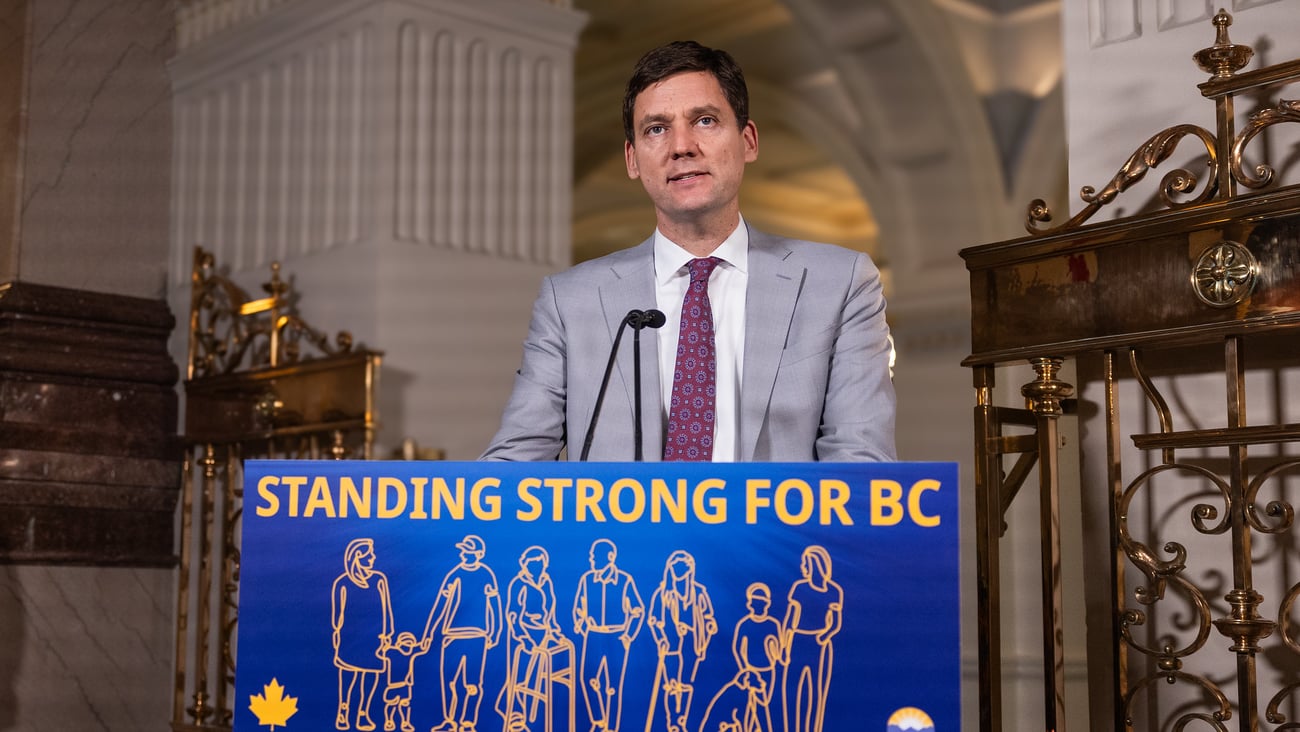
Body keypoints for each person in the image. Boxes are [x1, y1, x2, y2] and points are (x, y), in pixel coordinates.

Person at [481, 40, 896, 462]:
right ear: (633, 159)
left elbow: (861, 468)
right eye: (656, 129)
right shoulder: (569, 301)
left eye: (704, 120)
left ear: (748, 141)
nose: (681, 146)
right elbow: (515, 464)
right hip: (620, 531)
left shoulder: (840, 283)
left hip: (776, 529)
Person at [421, 535, 504, 732]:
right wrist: (428, 633)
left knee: (473, 684)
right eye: (463, 550)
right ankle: (449, 721)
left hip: (477, 637)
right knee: (450, 682)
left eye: (468, 551)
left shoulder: (486, 574)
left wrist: (497, 630)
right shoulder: (454, 574)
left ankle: (468, 723)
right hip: (452, 636)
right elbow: (441, 605)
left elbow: (495, 605)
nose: (464, 554)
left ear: (478, 554)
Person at [573, 539, 646, 732]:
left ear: (610, 557)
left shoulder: (624, 580)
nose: (592, 559)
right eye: (591, 556)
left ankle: (612, 727)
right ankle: (599, 721)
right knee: (587, 679)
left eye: (595, 556)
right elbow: (578, 608)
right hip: (593, 636)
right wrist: (581, 624)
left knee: (613, 687)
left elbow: (638, 610)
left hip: (617, 637)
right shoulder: (587, 579)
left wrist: (629, 635)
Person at [646, 550, 717, 732]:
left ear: (690, 569)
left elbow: (709, 617)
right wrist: (661, 637)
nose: (678, 571)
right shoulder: (662, 594)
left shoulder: (699, 592)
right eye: (675, 567)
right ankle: (673, 722)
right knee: (671, 685)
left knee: (685, 685)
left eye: (682, 567)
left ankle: (682, 720)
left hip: (692, 645)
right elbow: (652, 620)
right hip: (670, 646)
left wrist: (708, 628)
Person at [332, 538, 393, 731]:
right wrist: (337, 635)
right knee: (349, 676)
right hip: (350, 637)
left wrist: (388, 633)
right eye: (370, 555)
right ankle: (343, 711)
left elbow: (386, 609)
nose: (373, 558)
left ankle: (363, 713)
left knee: (370, 676)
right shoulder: (343, 582)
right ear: (357, 556)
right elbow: (337, 615)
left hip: (375, 638)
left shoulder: (379, 579)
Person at [780, 547, 841, 732]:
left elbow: (836, 622)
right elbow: (790, 620)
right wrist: (784, 646)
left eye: (805, 563)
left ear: (815, 565)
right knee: (792, 692)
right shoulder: (800, 587)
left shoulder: (833, 591)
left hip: (820, 645)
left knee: (816, 694)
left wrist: (825, 635)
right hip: (798, 641)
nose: (802, 567)